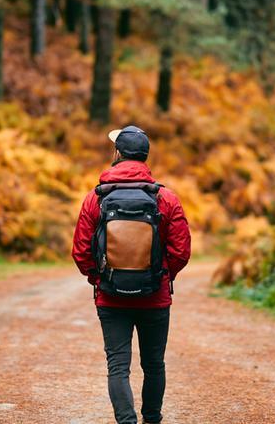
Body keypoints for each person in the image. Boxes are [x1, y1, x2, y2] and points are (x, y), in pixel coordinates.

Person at [71, 125, 191, 424]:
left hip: (111, 299)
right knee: (154, 365)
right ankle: (152, 419)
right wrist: (161, 275)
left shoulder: (95, 198)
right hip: (155, 297)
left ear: (118, 154)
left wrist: (99, 278)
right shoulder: (166, 199)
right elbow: (181, 251)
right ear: (145, 157)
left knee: (118, 366)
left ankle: (126, 421)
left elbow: (81, 251)